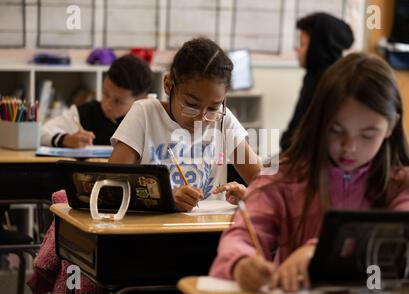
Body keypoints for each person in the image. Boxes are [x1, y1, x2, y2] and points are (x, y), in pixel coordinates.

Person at [209, 53, 409, 293]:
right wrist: (240, 263)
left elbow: (406, 244)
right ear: (319, 122)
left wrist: (319, 249)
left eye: (368, 134)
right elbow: (241, 234)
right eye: (336, 130)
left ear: (391, 126)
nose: (349, 146)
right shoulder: (283, 177)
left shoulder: (404, 183)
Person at [110, 38, 262, 211]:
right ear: (168, 85)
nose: (202, 118)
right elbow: (112, 185)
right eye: (191, 105)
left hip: (207, 233)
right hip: (151, 233)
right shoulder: (145, 113)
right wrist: (164, 197)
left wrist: (248, 194)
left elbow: (266, 186)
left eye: (213, 107)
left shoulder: (223, 120)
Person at [40, 54, 153, 148]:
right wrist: (66, 139)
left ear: (142, 100)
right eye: (105, 93)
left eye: (118, 101)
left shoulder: (147, 122)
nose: (107, 105)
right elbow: (41, 133)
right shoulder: (84, 113)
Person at [280, 13, 354, 152]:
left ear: (317, 48)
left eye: (303, 44)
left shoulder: (324, 82)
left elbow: (296, 138)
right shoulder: (319, 75)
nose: (298, 50)